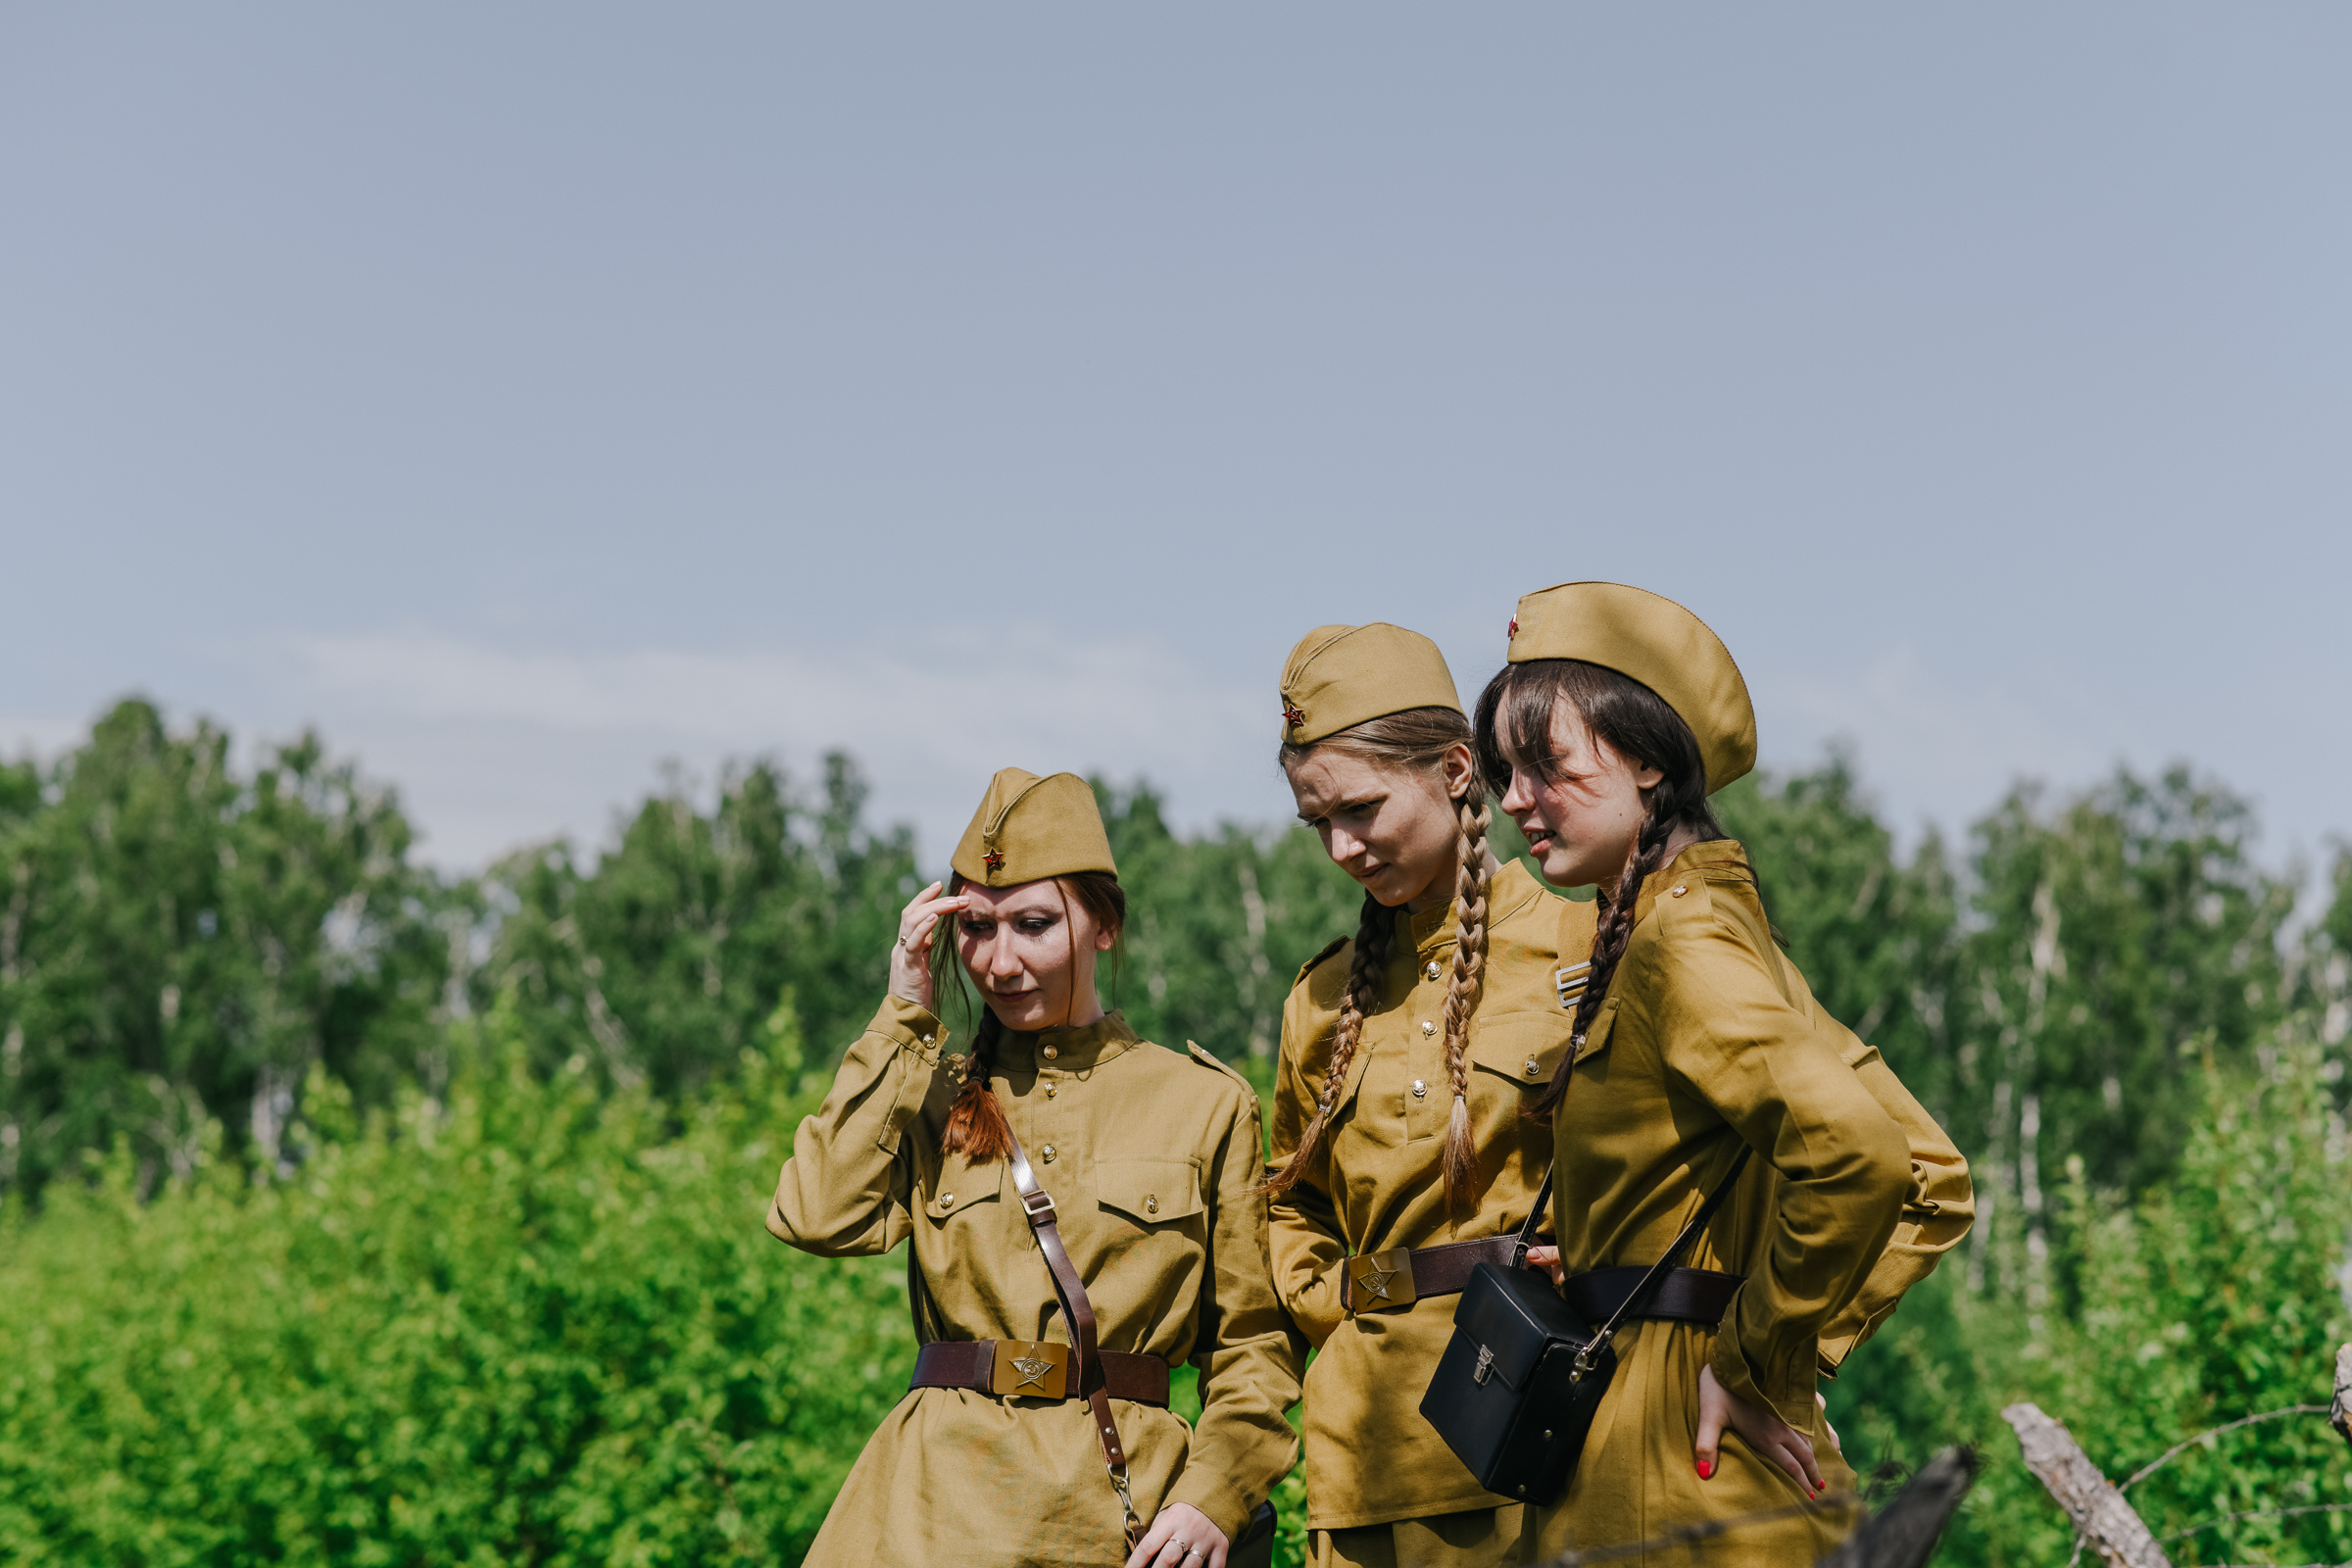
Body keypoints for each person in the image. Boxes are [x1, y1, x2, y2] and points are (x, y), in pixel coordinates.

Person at [1472, 582, 1974, 1565]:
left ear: (1650, 758)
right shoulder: (1692, 927)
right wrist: (1625, 1260)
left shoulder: (1685, 940)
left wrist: (1756, 1354)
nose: (1515, 799)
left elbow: (1868, 1157)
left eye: (1547, 765)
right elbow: (1931, 1167)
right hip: (1662, 1435)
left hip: (1669, 1468)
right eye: (1505, 773)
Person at [766, 768, 1299, 1568]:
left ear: (1105, 926)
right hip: (928, 1518)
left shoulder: (1203, 1103)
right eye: (976, 928)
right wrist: (903, 1012)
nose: (1000, 961)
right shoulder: (931, 1089)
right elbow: (814, 1214)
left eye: (1035, 924)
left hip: (1120, 1517)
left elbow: (1253, 1349)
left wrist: (1214, 1496)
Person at [1262, 623, 1602, 1568]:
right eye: (1317, 822)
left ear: (1457, 770)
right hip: (1361, 1465)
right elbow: (1288, 1201)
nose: (1340, 848)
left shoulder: (1588, 951)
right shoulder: (1320, 997)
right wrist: (1334, 1306)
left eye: (1361, 809)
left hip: (1537, 1456)